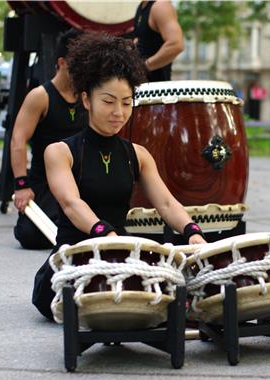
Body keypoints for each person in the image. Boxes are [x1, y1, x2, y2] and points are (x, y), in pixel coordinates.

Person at [32, 32, 205, 321]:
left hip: (121, 255)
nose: (118, 112)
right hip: (74, 261)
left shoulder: (137, 154)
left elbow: (165, 202)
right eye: (109, 101)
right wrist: (105, 233)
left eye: (126, 102)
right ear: (86, 100)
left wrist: (192, 232)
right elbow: (72, 204)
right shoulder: (60, 152)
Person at [11, 29, 86, 250]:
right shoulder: (40, 96)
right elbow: (18, 140)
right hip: (45, 182)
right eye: (78, 67)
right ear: (62, 63)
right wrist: (21, 185)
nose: (83, 74)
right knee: (29, 235)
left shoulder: (88, 96)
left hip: (79, 181)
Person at [134, 0, 184, 82]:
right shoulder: (142, 6)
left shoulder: (161, 6)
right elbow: (143, 39)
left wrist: (144, 67)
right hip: (142, 84)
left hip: (157, 87)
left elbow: (175, 45)